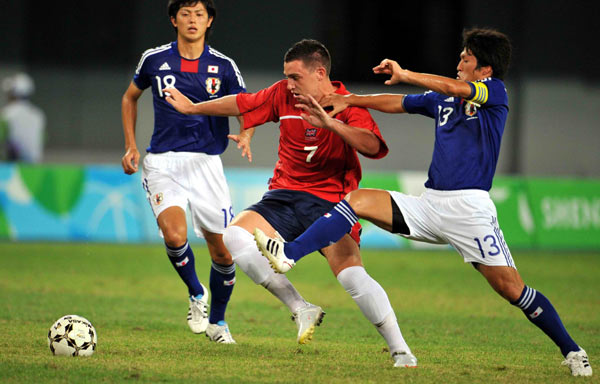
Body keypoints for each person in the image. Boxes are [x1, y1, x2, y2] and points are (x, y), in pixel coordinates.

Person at [253, 28, 592, 376]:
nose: (460, 61)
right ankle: (289, 254)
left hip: (470, 211)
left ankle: (573, 350)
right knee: (356, 200)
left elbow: (454, 87)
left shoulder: (494, 92)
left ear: (485, 69)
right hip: (430, 205)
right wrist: (352, 100)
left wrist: (406, 75)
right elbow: (398, 103)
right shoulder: (443, 100)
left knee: (512, 289)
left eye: (467, 57)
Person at [165, 39, 417, 367]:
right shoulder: (282, 95)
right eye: (286, 76)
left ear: (320, 73)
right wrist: (193, 108)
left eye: (295, 77)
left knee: (352, 277)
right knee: (235, 236)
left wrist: (331, 124)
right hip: (284, 195)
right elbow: (242, 103)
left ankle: (401, 351)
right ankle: (301, 308)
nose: (289, 84)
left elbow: (373, 146)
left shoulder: (347, 103)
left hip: (332, 201)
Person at [121, 0, 251, 344]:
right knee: (175, 236)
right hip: (163, 162)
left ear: (209, 21)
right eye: (185, 14)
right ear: (173, 20)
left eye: (199, 15)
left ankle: (218, 324)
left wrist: (247, 132)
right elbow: (129, 98)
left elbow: (246, 106)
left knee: (223, 251)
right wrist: (131, 146)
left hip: (206, 164)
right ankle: (197, 293)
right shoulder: (154, 59)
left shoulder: (223, 65)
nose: (192, 20)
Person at [1, 73, 46, 163]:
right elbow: (42, 138)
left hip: (11, 167)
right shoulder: (38, 115)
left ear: (12, 93)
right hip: (33, 167)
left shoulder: (6, 114)